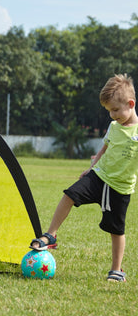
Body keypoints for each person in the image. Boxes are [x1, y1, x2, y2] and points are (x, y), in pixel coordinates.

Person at [30, 74, 138, 282]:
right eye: (109, 111)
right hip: (98, 177)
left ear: (130, 104)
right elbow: (105, 147)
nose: (112, 115)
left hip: (120, 188)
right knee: (69, 195)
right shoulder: (115, 126)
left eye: (115, 110)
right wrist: (92, 167)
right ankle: (51, 235)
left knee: (116, 229)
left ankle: (116, 270)